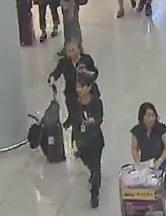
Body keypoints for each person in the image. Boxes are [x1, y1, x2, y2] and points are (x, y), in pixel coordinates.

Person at [130, 102, 166, 216]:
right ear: (142, 117)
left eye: (153, 115)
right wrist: (138, 163)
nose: (151, 118)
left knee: (165, 188)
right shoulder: (137, 131)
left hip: (162, 163)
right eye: (148, 115)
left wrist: (160, 160)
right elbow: (135, 149)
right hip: (146, 164)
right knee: (148, 189)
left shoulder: (161, 129)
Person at [48, 39, 99, 132]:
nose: (71, 53)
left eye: (73, 50)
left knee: (88, 108)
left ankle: (88, 121)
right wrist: (52, 78)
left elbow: (94, 73)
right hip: (71, 91)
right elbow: (56, 72)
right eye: (69, 51)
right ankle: (73, 119)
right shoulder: (64, 62)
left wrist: (87, 74)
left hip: (86, 91)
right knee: (72, 106)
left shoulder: (86, 59)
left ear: (79, 49)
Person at [75, 80, 105, 208]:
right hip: (82, 140)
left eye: (81, 86)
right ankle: (93, 172)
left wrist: (94, 120)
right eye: (77, 86)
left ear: (88, 87)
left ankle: (94, 193)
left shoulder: (96, 102)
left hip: (95, 139)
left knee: (95, 165)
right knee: (86, 160)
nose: (78, 89)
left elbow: (99, 118)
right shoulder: (76, 103)